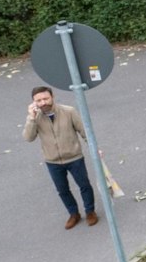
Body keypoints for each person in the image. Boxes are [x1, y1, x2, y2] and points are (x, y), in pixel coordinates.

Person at [23, 85, 99, 229]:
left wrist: (94, 149)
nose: (43, 102)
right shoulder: (35, 118)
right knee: (62, 190)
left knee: (84, 186)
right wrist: (31, 118)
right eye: (38, 101)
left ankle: (90, 212)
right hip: (52, 162)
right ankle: (73, 214)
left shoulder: (68, 111)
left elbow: (85, 131)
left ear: (52, 97)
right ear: (34, 102)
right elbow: (28, 137)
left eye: (45, 98)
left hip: (74, 157)